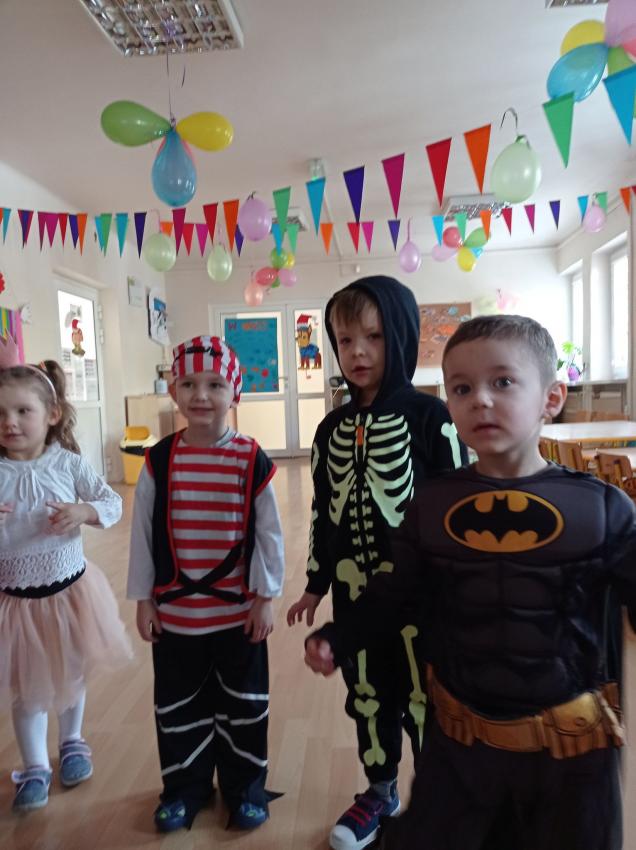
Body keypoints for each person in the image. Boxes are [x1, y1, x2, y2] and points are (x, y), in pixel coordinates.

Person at [375, 314, 636, 850]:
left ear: (551, 397)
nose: (481, 400)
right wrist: (340, 636)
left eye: (503, 381)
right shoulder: (431, 504)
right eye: (461, 389)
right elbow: (395, 592)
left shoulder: (603, 508)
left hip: (570, 758)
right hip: (460, 750)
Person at [286, 276, 465, 850]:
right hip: (353, 594)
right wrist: (315, 583)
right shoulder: (329, 429)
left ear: (402, 336)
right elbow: (323, 512)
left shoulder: (431, 417)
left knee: (424, 700)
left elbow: (457, 506)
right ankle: (380, 790)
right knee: (367, 695)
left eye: (374, 337)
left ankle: (437, 801)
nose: (358, 352)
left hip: (420, 596)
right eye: (345, 340)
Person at [127, 335, 285, 834]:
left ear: (235, 393)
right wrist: (143, 599)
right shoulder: (159, 460)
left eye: (215, 384)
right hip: (176, 617)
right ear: (173, 390)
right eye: (189, 384)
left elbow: (269, 534)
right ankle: (184, 789)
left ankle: (245, 789)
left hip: (238, 616)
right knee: (178, 709)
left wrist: (265, 597)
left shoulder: (250, 458)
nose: (201, 395)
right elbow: (142, 533)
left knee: (245, 708)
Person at [0, 339, 131, 814]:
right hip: (16, 605)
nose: (10, 422)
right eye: (1, 413)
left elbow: (111, 502)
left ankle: (72, 741)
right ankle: (35, 765)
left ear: (52, 414)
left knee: (72, 674)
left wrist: (83, 512)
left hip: (70, 594)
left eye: (22, 411)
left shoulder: (67, 463)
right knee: (27, 689)